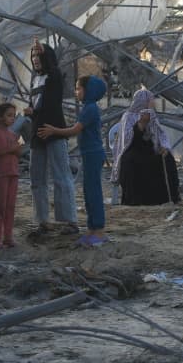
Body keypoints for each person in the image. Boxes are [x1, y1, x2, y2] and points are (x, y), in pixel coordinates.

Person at [38, 75, 107, 246]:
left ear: (88, 90)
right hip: (88, 153)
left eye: (79, 88)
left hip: (93, 153)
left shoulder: (90, 109)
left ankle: (98, 230)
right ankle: (92, 228)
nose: (76, 92)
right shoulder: (87, 107)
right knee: (88, 191)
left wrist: (54, 130)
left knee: (94, 192)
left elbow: (75, 130)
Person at [24, 39, 78, 235]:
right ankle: (42, 220)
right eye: (33, 56)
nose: (35, 59)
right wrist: (32, 113)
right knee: (37, 179)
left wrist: (44, 50)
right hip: (38, 132)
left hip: (54, 130)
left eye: (39, 55)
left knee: (61, 176)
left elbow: (51, 102)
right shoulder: (35, 79)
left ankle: (68, 220)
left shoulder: (53, 76)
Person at [110, 88, 180, 205]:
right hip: (132, 150)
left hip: (150, 151)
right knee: (132, 162)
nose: (153, 103)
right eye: (151, 100)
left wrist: (163, 147)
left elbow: (161, 134)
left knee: (168, 160)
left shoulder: (152, 116)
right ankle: (137, 200)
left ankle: (167, 198)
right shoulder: (128, 116)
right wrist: (140, 125)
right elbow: (127, 140)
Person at [0, 103, 23, 249]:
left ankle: (8, 237)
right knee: (0, 206)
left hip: (13, 172)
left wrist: (16, 149)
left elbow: (19, 152)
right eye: (9, 115)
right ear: (0, 117)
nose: (12, 119)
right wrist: (12, 148)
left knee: (10, 206)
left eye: (14, 116)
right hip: (1, 173)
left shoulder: (14, 134)